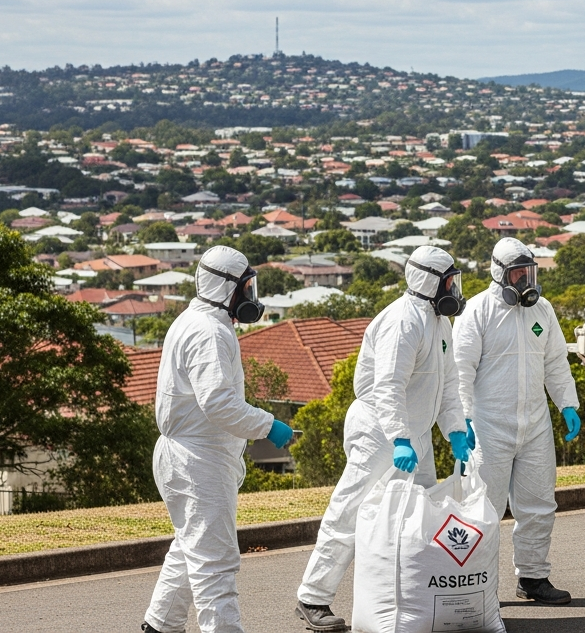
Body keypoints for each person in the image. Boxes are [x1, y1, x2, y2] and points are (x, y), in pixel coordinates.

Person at [294, 246, 471, 632]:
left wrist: (455, 428)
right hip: (380, 431)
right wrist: (399, 439)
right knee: (351, 509)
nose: (454, 289)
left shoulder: (440, 322)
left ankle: (415, 596)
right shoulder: (402, 321)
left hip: (415, 433)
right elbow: (387, 386)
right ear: (429, 281)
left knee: (420, 515)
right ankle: (313, 596)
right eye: (449, 281)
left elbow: (449, 384)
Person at [143, 245, 292, 633]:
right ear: (227, 289)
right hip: (198, 462)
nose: (250, 298)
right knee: (216, 563)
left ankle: (160, 625)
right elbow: (219, 403)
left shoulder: (193, 319)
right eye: (246, 289)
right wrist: (268, 425)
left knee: (191, 545)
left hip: (191, 457)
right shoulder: (209, 332)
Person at [453, 238, 581, 605]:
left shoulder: (543, 311)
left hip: (535, 424)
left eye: (529, 272)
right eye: (517, 273)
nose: (525, 280)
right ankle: (477, 583)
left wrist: (567, 404)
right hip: (488, 426)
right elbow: (460, 370)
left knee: (538, 504)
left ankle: (533, 577)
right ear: (499, 273)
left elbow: (556, 362)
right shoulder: (477, 311)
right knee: (483, 507)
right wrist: (463, 418)